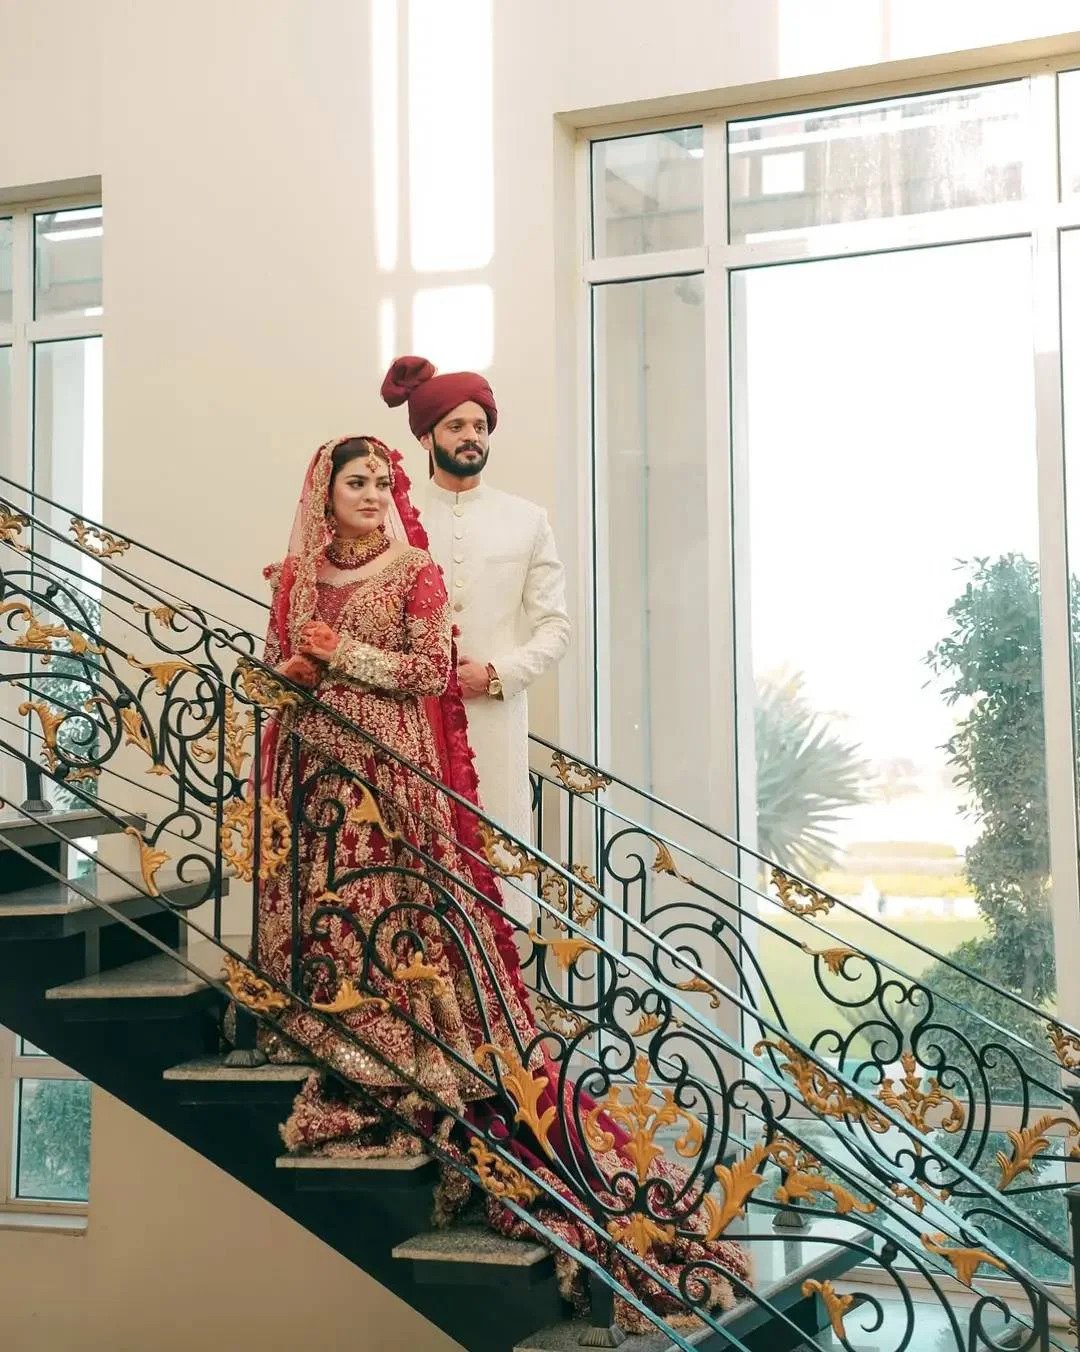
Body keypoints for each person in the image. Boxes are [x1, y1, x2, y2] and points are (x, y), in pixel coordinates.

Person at [253, 435, 749, 1333]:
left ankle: (413, 1043)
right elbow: (275, 677)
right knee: (334, 911)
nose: (372, 494)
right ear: (323, 492)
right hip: (315, 770)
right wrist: (290, 671)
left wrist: (344, 655)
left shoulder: (414, 570)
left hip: (391, 773)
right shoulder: (293, 579)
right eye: (355, 482)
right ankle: (335, 1030)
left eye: (381, 481)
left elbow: (431, 671)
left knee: (397, 914)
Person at [381, 356, 570, 924]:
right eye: (457, 426)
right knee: (413, 865)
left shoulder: (527, 519)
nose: (471, 436)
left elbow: (555, 628)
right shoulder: (393, 519)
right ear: (426, 436)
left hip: (493, 719)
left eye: (480, 426)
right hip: (408, 719)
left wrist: (496, 675)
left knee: (495, 865)